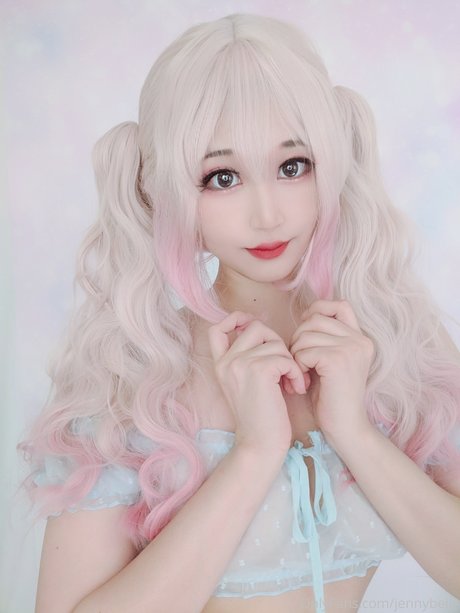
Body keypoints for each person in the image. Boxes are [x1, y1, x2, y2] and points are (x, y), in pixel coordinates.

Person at [17, 13, 460, 613]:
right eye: (221, 177)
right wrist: (253, 455)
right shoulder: (130, 380)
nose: (267, 214)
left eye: (292, 166)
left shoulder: (400, 348)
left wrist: (355, 432)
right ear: (163, 189)